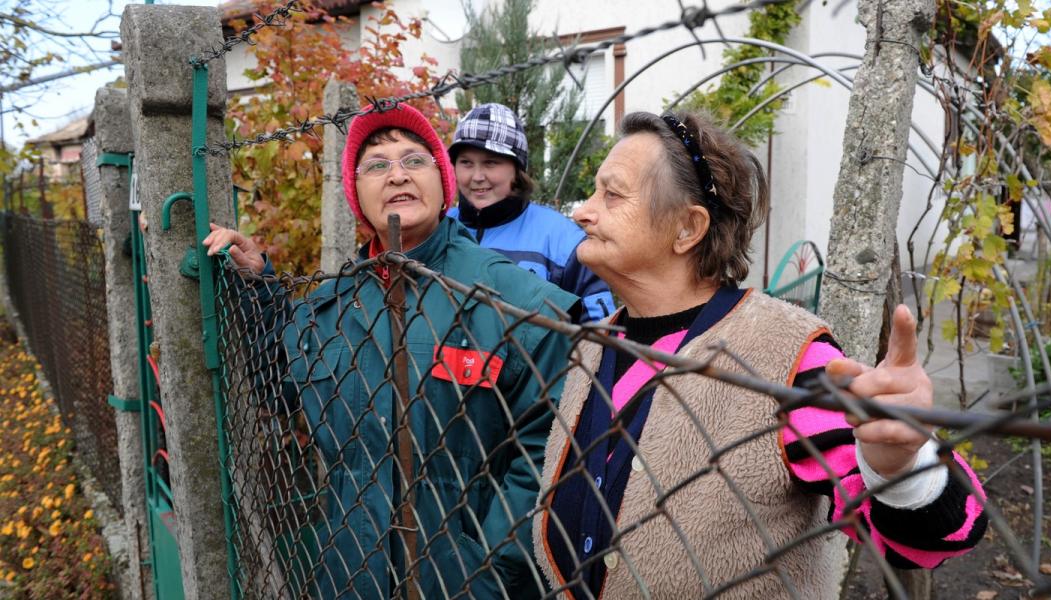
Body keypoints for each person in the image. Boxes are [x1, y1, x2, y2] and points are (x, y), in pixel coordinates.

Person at [532, 111, 989, 598]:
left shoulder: (785, 355)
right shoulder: (595, 343)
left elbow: (940, 535)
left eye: (612, 194)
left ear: (687, 228)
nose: (582, 211)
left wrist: (898, 465)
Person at [204, 103, 576, 599]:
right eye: (376, 165)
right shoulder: (331, 307)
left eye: (414, 160)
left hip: (464, 583)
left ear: (444, 183)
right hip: (350, 575)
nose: (397, 174)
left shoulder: (516, 301)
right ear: (356, 195)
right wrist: (258, 288)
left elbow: (547, 454)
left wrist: (489, 571)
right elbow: (281, 385)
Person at [447, 102, 615, 321]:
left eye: (490, 163)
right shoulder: (440, 227)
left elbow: (600, 331)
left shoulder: (563, 239)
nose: (477, 176)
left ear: (517, 170)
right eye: (466, 163)